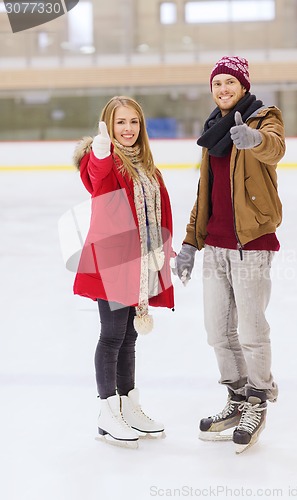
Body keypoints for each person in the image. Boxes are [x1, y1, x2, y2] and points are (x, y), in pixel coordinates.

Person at [174, 56, 285, 453]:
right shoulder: (211, 132)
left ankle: (258, 399)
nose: (223, 89)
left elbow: (275, 147)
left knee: (253, 331)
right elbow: (205, 193)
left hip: (251, 243)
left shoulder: (262, 119)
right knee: (217, 332)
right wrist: (190, 242)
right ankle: (237, 398)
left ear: (243, 86)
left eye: (230, 82)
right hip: (216, 246)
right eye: (217, 83)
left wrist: (256, 141)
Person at [73, 96, 174, 448]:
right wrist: (100, 152)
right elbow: (94, 181)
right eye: (120, 123)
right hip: (114, 261)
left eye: (133, 122)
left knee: (129, 336)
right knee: (113, 334)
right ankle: (107, 410)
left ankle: (129, 404)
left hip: (142, 261)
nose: (127, 129)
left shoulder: (147, 167)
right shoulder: (104, 160)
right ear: (109, 126)